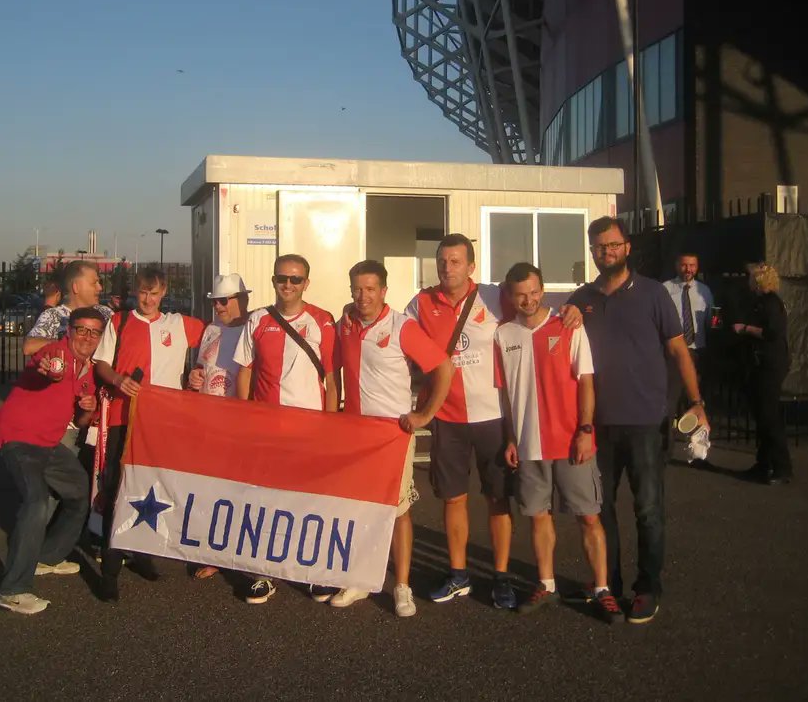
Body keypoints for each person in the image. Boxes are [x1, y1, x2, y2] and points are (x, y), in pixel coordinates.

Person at [405, 233, 581, 608]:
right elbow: (393, 339)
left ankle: (501, 577)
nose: (447, 268)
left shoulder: (494, 295)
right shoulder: (420, 302)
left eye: (455, 261)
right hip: (447, 418)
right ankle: (458, 575)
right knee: (453, 499)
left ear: (471, 266)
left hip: (493, 417)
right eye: (442, 261)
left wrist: (577, 308)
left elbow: (534, 307)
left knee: (498, 499)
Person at [568, 217, 707, 625]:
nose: (605, 252)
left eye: (612, 245)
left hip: (646, 421)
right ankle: (606, 586)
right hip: (599, 424)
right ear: (592, 251)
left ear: (627, 247)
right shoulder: (582, 298)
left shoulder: (653, 294)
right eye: (598, 247)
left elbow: (680, 352)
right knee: (600, 509)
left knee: (648, 510)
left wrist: (697, 402)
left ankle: (648, 588)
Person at [494, 263, 622, 623]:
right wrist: (510, 438)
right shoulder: (503, 335)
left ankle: (601, 589)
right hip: (529, 444)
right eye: (520, 294)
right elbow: (505, 394)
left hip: (570, 442)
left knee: (589, 518)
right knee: (538, 518)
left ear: (543, 288)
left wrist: (585, 429)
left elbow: (585, 381)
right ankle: (546, 584)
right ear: (509, 295)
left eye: (534, 292)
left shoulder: (568, 325)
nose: (528, 299)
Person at [328, 260, 453, 617]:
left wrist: (424, 414)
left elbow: (444, 367)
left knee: (398, 512)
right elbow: (334, 374)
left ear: (384, 291)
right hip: (355, 434)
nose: (363, 296)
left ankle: (402, 586)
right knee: (357, 509)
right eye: (357, 288)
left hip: (392, 435)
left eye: (370, 289)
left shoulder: (402, 326)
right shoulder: (346, 325)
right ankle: (359, 578)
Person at [92, 267, 205, 602]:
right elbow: (101, 364)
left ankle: (142, 553)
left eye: (154, 293)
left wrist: (197, 372)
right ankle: (109, 571)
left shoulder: (180, 324)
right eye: (143, 292)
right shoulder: (119, 322)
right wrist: (117, 380)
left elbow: (218, 340)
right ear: (135, 292)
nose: (148, 299)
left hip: (162, 423)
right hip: (122, 420)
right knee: (116, 489)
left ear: (164, 292)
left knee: (155, 489)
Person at [233, 254, 338, 604]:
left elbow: (331, 378)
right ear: (274, 279)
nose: (288, 285)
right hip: (266, 428)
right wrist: (245, 417)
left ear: (306, 282)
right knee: (263, 501)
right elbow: (245, 371)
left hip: (308, 430)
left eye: (296, 279)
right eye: (282, 278)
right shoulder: (258, 320)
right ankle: (261, 573)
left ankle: (312, 572)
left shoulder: (323, 321)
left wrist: (330, 425)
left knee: (309, 502)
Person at [0, 306, 106, 615]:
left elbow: (81, 422)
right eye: (81, 329)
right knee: (37, 502)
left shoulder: (88, 373)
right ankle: (12, 590)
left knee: (80, 492)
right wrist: (51, 368)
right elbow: (48, 367)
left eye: (94, 332)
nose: (87, 337)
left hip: (49, 444)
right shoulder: (56, 353)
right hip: (19, 439)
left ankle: (47, 556)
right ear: (69, 330)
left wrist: (88, 405)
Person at [185, 272, 252, 580]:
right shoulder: (211, 329)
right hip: (207, 423)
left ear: (241, 300)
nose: (218, 307)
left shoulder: (254, 330)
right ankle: (213, 550)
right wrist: (194, 375)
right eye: (214, 301)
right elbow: (202, 367)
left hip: (238, 425)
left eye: (224, 301)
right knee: (209, 489)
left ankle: (237, 552)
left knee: (238, 491)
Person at [734, 263, 792, 485]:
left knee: (769, 416)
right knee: (763, 415)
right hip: (761, 364)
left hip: (769, 365)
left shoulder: (771, 303)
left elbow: (772, 332)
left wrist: (746, 328)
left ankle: (782, 467)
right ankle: (764, 463)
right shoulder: (761, 303)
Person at [663, 252, 714, 443]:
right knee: (671, 399)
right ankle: (667, 443)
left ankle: (698, 446)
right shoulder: (665, 289)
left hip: (697, 350)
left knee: (696, 400)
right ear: (677, 266)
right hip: (674, 353)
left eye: (692, 265)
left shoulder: (704, 291)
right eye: (684, 265)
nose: (688, 269)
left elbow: (711, 320)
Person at [24, 261, 113, 356]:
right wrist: (70, 342)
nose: (99, 288)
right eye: (94, 283)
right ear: (76, 287)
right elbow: (29, 347)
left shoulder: (106, 313)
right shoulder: (54, 315)